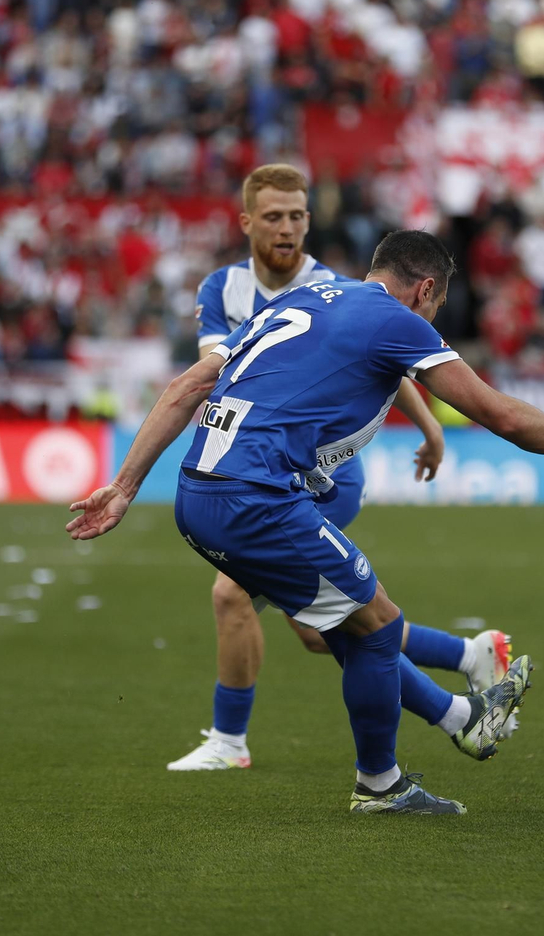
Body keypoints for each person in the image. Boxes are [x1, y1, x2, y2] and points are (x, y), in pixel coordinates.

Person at [68, 230, 544, 813]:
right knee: (376, 624)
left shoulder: (299, 299)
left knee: (342, 625)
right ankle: (382, 783)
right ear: (425, 290)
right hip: (257, 497)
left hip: (197, 495)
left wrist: (124, 487)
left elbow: (188, 384)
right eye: (439, 303)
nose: (435, 314)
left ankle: (459, 715)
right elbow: (499, 414)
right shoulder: (399, 321)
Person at [167, 165, 514, 773]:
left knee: (255, 598)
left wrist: (430, 424)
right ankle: (465, 675)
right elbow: (219, 375)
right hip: (254, 465)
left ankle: (231, 740)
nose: (288, 228)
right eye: (274, 216)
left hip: (312, 475)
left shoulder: (330, 285)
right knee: (326, 623)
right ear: (248, 222)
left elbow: (388, 358)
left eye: (298, 216)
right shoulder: (222, 289)